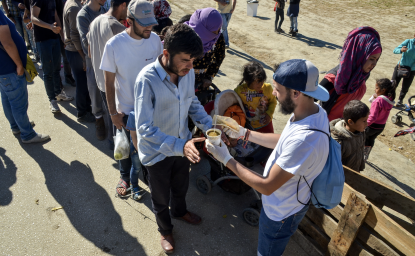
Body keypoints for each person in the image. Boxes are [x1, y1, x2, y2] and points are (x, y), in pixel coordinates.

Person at [206, 59, 330, 256]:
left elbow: (266, 186)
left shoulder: (305, 140)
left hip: (281, 212)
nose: (273, 94)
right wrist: (245, 133)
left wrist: (225, 159)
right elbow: (285, 140)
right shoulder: (313, 112)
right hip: (285, 201)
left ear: (296, 93)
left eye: (278, 90)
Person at [134, 23, 220, 254]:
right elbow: (144, 128)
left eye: (192, 61)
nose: (190, 67)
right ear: (166, 54)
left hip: (184, 144)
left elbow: (192, 102)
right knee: (160, 196)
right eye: (185, 60)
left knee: (181, 186)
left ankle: (180, 212)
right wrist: (180, 146)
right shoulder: (147, 80)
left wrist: (210, 126)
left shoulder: (187, 71)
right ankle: (165, 229)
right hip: (157, 152)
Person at [100, 0, 162, 198]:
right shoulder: (114, 45)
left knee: (145, 148)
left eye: (151, 22)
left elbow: (160, 73)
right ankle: (124, 177)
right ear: (129, 21)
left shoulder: (155, 41)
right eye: (144, 23)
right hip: (126, 111)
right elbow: (108, 83)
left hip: (151, 109)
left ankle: (145, 175)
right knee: (125, 149)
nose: (149, 27)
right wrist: (112, 113)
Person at [0, 10, 50, 143]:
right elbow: (7, 43)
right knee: (18, 103)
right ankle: (27, 134)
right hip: (9, 67)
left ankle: (17, 126)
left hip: (3, 69)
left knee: (7, 99)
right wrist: (19, 65)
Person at [87, 0, 129, 148]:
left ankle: (113, 143)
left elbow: (90, 53)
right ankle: (120, 149)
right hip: (114, 83)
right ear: (123, 5)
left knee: (110, 114)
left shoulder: (95, 21)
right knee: (119, 118)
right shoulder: (117, 27)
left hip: (100, 80)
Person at [320, 26, 382, 121]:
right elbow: (309, 101)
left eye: (377, 59)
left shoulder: (362, 75)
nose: (374, 64)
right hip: (325, 126)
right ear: (359, 55)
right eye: (371, 59)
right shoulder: (334, 78)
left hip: (343, 126)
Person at [31, 0, 74, 114]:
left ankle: (58, 93)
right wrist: (50, 26)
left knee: (56, 69)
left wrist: (62, 35)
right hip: (43, 40)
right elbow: (33, 18)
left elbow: (55, 15)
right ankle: (52, 100)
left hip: (54, 37)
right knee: (48, 71)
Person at [76, 0, 106, 139]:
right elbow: (86, 43)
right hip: (93, 60)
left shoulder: (104, 10)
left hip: (107, 57)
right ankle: (99, 119)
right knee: (95, 91)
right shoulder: (83, 15)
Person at [63, 0, 95, 122]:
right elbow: (74, 35)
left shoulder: (72, 3)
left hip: (74, 50)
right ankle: (82, 112)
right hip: (76, 52)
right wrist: (83, 57)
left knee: (84, 82)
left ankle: (87, 108)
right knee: (82, 84)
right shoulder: (74, 8)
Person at [185, 8, 225, 89]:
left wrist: (209, 76)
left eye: (219, 28)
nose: (217, 32)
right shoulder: (185, 34)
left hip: (201, 85)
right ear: (204, 27)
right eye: (215, 29)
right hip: (179, 84)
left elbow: (219, 57)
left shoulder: (217, 37)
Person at [234, 61, 277, 133]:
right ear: (247, 81)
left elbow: (273, 102)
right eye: (258, 82)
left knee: (268, 143)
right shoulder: (239, 91)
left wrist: (269, 114)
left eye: (262, 81)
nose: (261, 84)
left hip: (266, 124)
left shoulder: (268, 88)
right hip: (248, 126)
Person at [330, 100, 368, 172]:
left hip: (354, 172)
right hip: (341, 176)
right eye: (364, 121)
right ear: (351, 122)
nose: (367, 123)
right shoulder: (337, 141)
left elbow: (360, 150)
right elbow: (332, 166)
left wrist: (360, 167)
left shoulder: (361, 133)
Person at [364, 79, 397, 161]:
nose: (374, 90)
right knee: (371, 140)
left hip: (371, 126)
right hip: (380, 127)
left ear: (383, 90)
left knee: (363, 139)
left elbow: (373, 117)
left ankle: (359, 155)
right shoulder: (390, 99)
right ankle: (365, 155)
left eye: (376, 88)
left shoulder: (378, 100)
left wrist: (364, 125)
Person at [391, 34, 415, 106]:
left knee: (405, 87)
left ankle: (400, 101)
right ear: (414, 35)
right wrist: (401, 50)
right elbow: (395, 50)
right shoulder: (408, 42)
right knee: (393, 84)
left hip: (412, 70)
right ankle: (390, 99)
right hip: (400, 66)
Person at [125, 111, 144, 200]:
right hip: (136, 147)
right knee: (136, 168)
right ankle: (134, 186)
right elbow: (133, 136)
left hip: (150, 147)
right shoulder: (133, 114)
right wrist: (139, 151)